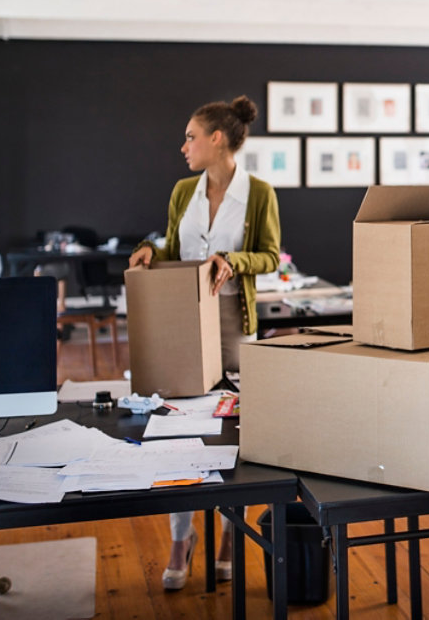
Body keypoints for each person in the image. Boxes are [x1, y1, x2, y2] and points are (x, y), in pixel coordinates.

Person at [128, 95, 280, 590]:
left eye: (191, 136)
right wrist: (152, 251)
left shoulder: (259, 194)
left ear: (218, 139)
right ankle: (181, 535)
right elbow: (174, 245)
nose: (184, 146)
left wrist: (233, 260)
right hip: (181, 320)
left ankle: (231, 531)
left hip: (234, 321)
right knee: (179, 429)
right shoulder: (182, 192)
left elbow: (271, 256)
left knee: (235, 430)